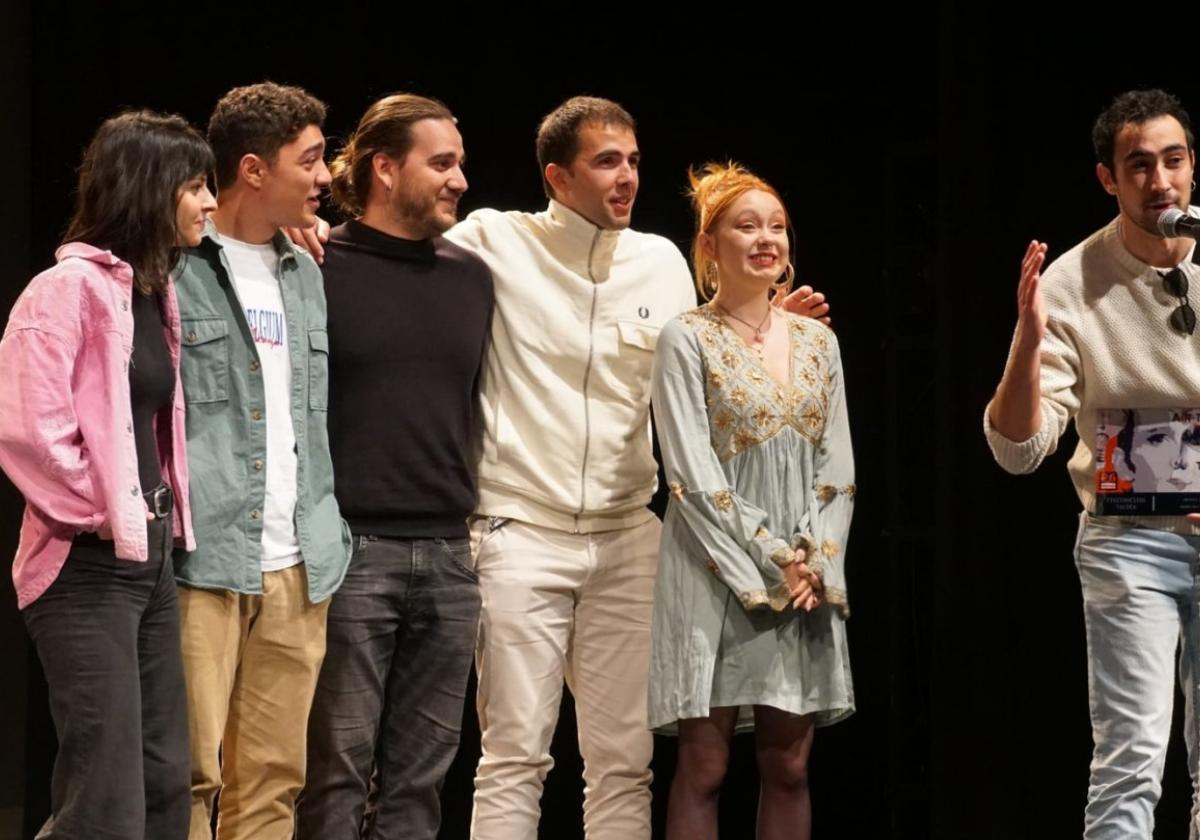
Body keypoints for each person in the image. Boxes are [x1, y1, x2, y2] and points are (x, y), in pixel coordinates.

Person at [288, 95, 832, 839]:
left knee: (623, 761)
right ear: (557, 175)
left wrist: (766, 325)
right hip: (520, 531)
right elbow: (391, 237)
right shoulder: (492, 242)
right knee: (513, 756)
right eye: (606, 161)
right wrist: (305, 231)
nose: (626, 178)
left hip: (628, 538)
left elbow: (707, 356)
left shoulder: (660, 262)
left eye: (634, 161)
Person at [985, 88, 1200, 838]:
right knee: (1132, 762)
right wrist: (1027, 338)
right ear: (1109, 178)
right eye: (1139, 165)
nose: (1160, 180)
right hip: (1130, 544)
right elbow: (1020, 449)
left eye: (1173, 160)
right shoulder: (1070, 284)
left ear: (1193, 167)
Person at [0, 110, 215, 839]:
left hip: (148, 560)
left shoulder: (153, 290)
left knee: (163, 784)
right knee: (107, 801)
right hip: (82, 567)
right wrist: (104, 511)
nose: (209, 202)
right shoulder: (64, 292)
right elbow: (30, 435)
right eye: (195, 185)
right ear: (151, 190)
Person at [295, 93, 493, 840]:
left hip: (450, 554)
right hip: (351, 553)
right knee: (334, 773)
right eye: (441, 163)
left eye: (460, 163)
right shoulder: (316, 265)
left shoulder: (472, 278)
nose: (460, 180)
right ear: (384, 167)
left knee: (421, 781)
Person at [649, 162, 854, 840]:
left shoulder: (818, 342)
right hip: (718, 567)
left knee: (789, 765)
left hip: (804, 574)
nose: (766, 240)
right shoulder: (686, 338)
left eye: (776, 227)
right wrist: (773, 559)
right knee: (704, 766)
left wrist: (818, 560)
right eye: (747, 227)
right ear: (710, 246)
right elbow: (690, 469)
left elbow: (838, 465)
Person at [172, 82, 352, 840]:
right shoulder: (176, 266)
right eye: (310, 160)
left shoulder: (305, 272)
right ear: (252, 169)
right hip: (204, 559)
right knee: (187, 776)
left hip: (299, 563)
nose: (324, 177)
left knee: (274, 782)